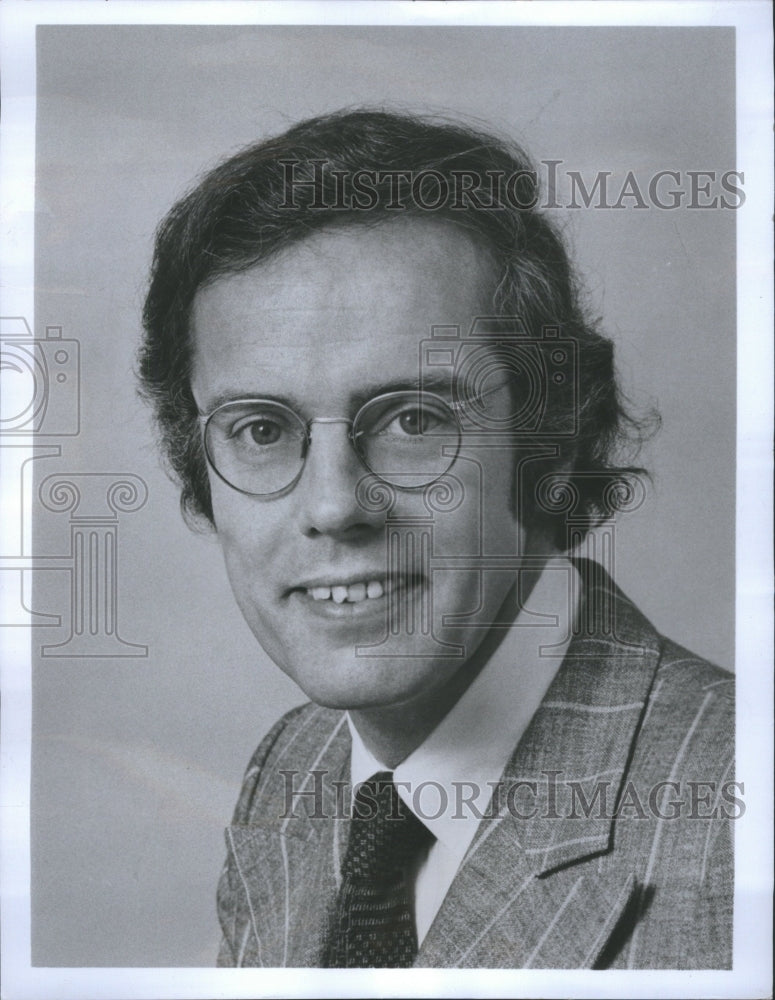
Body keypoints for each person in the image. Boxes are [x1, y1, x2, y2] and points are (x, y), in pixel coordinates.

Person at [138, 109, 735, 969]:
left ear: (549, 437)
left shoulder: (731, 830)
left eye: (414, 419)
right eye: (262, 430)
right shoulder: (292, 768)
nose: (335, 505)